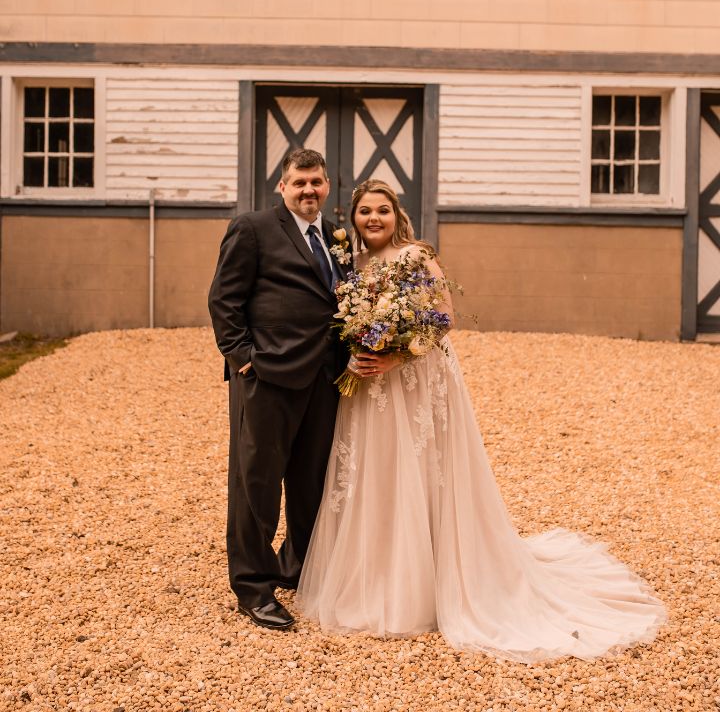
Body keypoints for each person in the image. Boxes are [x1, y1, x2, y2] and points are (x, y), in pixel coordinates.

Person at [296, 178, 667, 661]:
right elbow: (344, 322)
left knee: (425, 470)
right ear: (355, 218)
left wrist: (397, 356)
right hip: (371, 386)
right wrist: (359, 353)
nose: (373, 219)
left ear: (396, 214)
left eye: (382, 211)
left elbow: (443, 317)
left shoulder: (417, 256)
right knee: (377, 471)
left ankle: (434, 579)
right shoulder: (353, 264)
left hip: (417, 380)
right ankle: (379, 575)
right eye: (365, 211)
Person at [208, 148, 350, 630]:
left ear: (327, 185)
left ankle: (296, 567)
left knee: (310, 481)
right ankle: (252, 586)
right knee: (257, 485)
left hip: (323, 380)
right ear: (282, 187)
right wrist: (245, 360)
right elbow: (223, 299)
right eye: (299, 182)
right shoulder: (253, 228)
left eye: (316, 182)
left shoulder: (336, 237)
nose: (308, 190)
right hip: (267, 378)